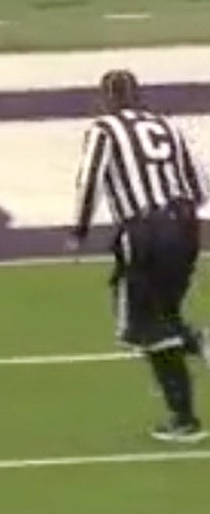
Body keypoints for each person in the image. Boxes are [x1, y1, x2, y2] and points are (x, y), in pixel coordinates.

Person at [69, 69, 209, 442]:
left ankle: (196, 350)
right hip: (185, 225)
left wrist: (78, 231)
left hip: (146, 230)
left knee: (139, 325)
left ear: (106, 98)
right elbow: (199, 184)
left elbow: (91, 177)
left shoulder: (104, 129)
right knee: (162, 318)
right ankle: (183, 415)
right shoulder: (167, 126)